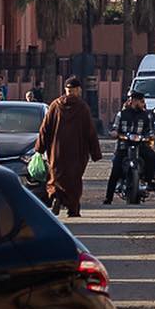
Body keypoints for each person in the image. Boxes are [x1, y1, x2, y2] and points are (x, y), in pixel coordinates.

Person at [34, 77, 102, 217]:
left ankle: (56, 197)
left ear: (66, 90)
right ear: (78, 90)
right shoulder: (82, 108)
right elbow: (90, 131)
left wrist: (39, 148)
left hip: (56, 151)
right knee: (74, 179)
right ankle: (73, 208)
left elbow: (45, 129)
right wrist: (95, 153)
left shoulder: (55, 105)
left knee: (55, 177)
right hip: (77, 152)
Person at [103, 88, 155, 204]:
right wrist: (115, 133)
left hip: (141, 145)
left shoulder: (146, 115)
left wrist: (151, 136)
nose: (141, 103)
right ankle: (108, 197)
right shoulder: (121, 114)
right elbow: (114, 128)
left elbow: (151, 131)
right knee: (115, 169)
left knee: (151, 156)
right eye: (140, 101)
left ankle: (150, 181)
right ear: (133, 101)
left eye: (142, 101)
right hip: (124, 145)